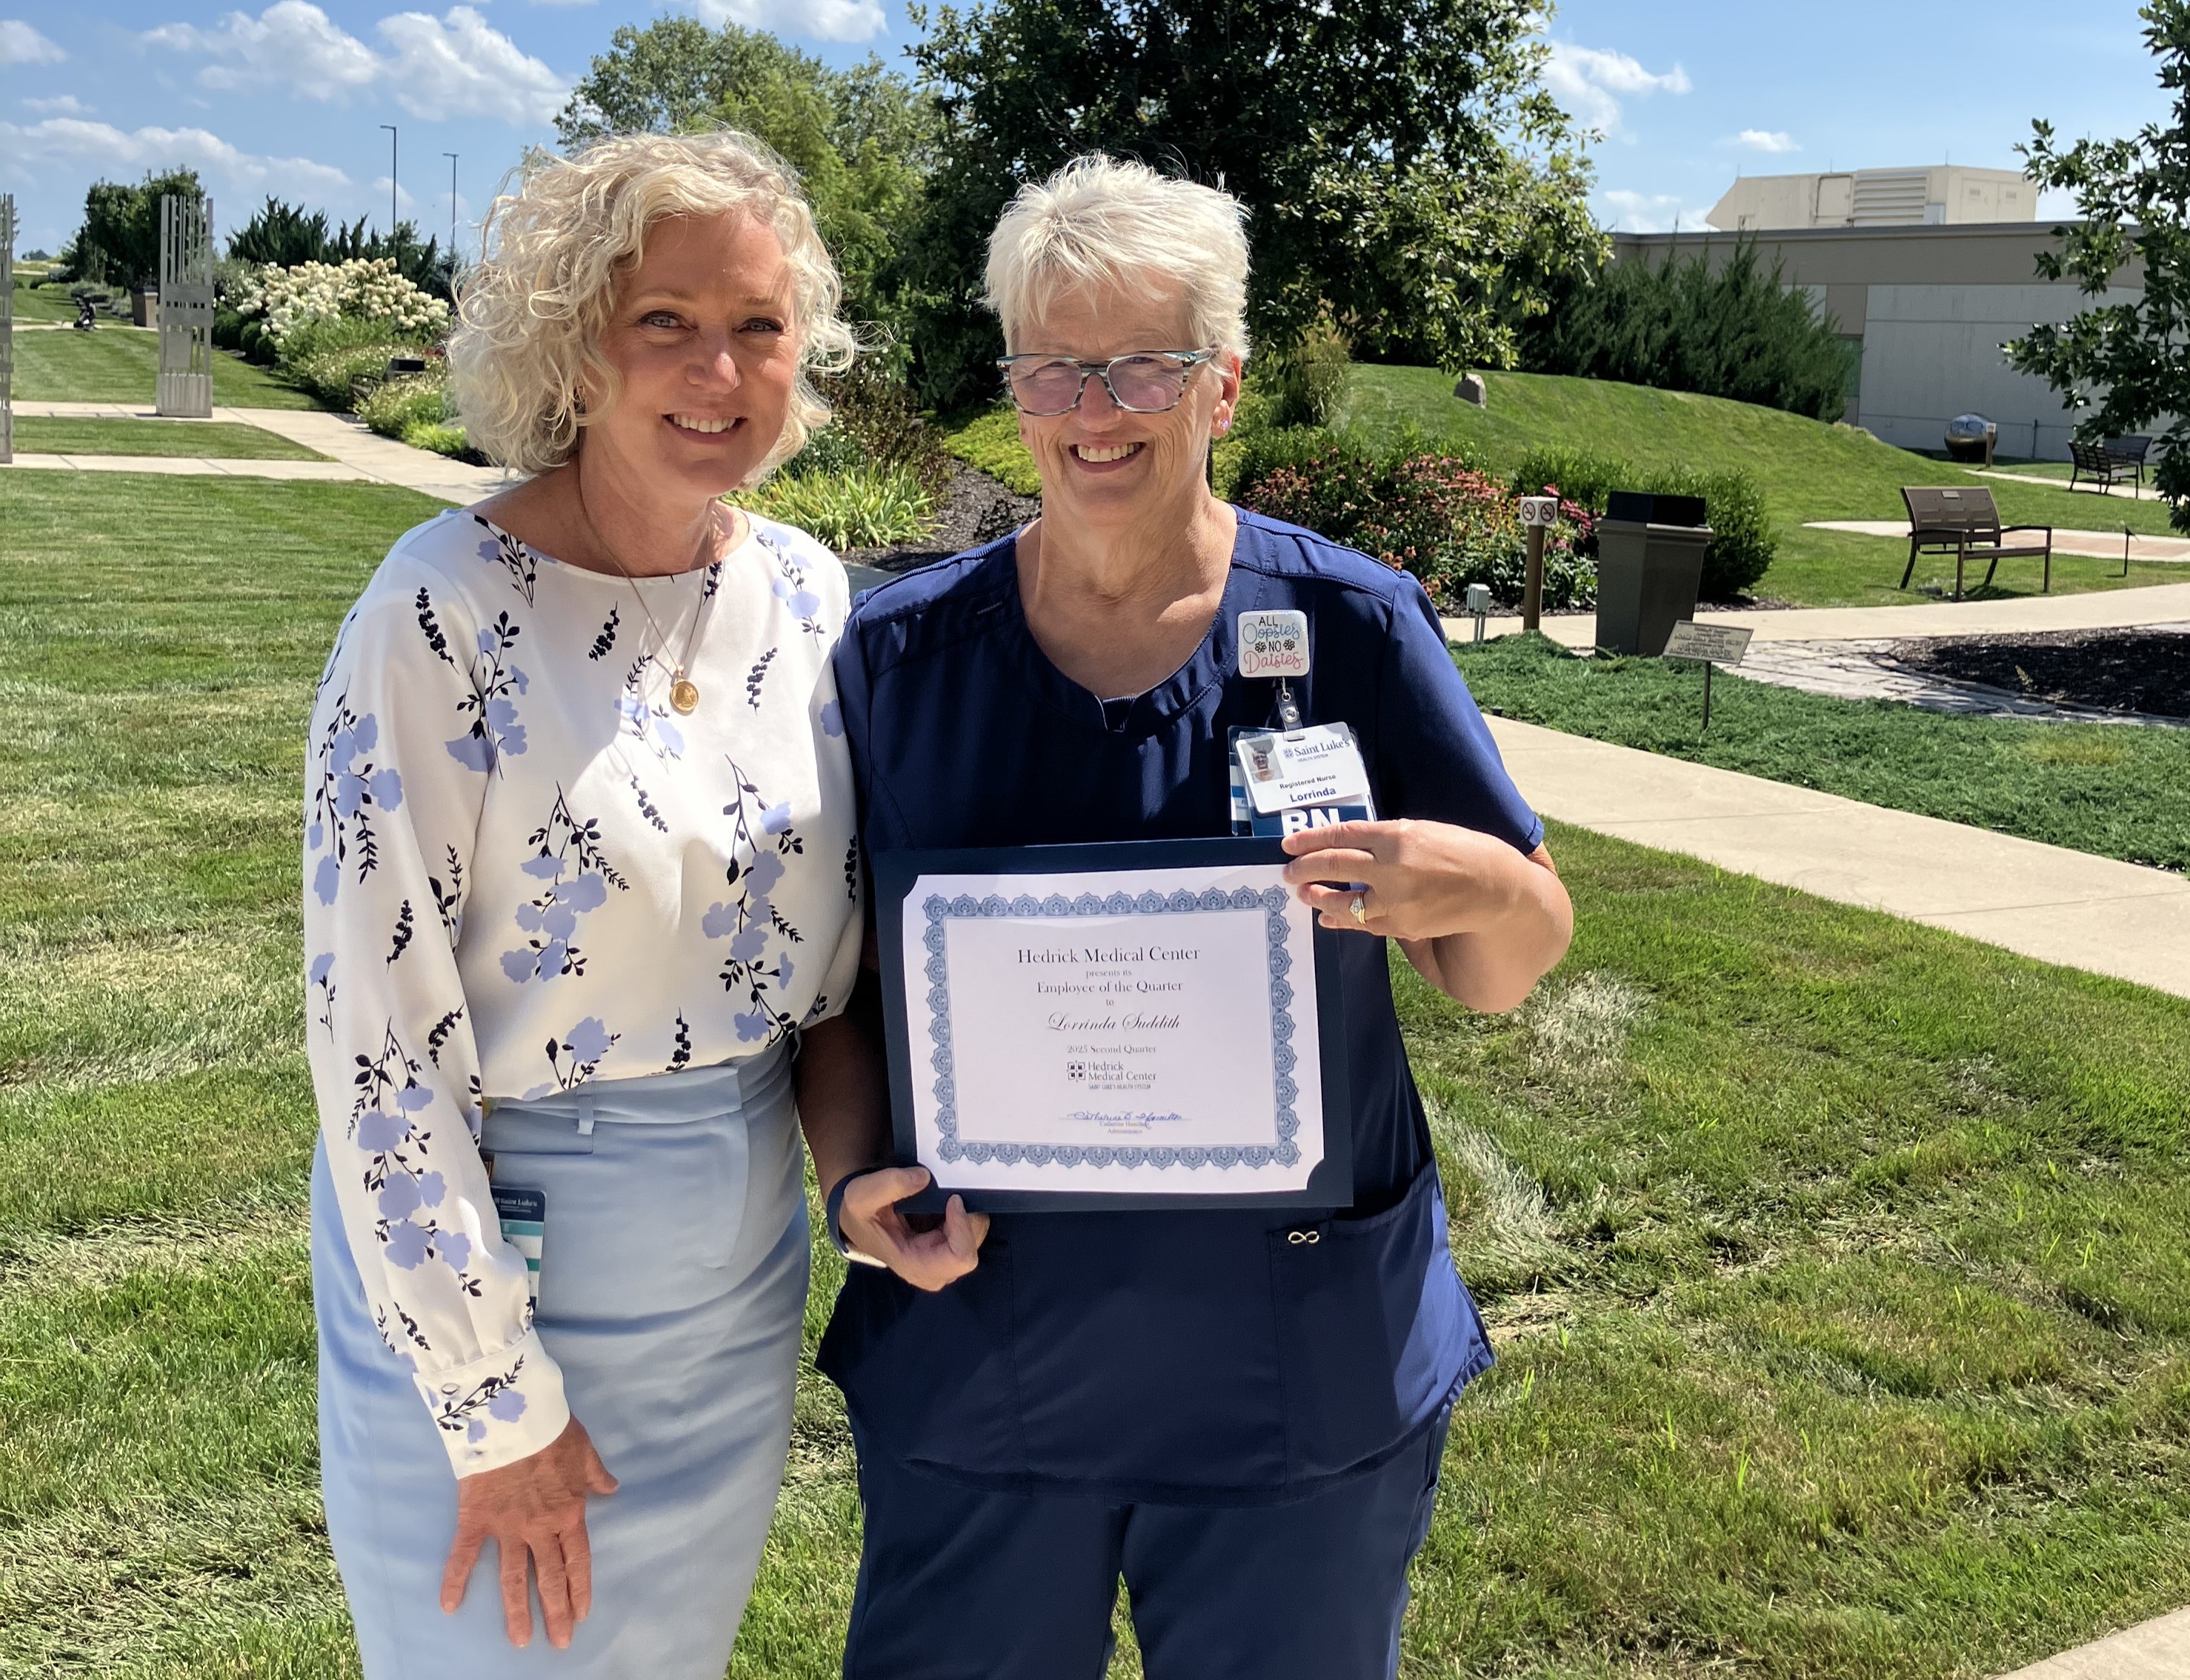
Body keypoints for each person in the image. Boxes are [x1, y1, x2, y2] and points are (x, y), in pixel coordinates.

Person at [816, 156, 1577, 1679]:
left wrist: (1468, 882)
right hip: (989, 1350)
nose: (1098, 409)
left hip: (1295, 1361)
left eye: (1144, 365)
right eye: (1057, 367)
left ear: (1220, 384)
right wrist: (853, 1190)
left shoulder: (1353, 625)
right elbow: (836, 993)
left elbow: (1505, 962)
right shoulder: (899, 660)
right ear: (1015, 390)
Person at [299, 129, 950, 1675]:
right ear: (575, 343)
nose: (718, 366)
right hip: (490, 1290)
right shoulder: (434, 612)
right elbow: (375, 1052)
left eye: (759, 326)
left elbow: (828, 980)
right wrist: (491, 1405)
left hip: (731, 1299)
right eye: (666, 320)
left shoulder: (805, 596)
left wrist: (860, 1184)